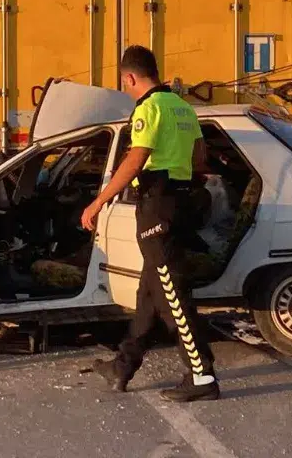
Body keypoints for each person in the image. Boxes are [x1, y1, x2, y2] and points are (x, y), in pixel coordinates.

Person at [80, 45, 219, 402]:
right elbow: (199, 157)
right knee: (150, 292)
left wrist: (99, 200)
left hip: (157, 206)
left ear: (130, 77)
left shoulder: (149, 108)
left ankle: (202, 374)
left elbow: (136, 157)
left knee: (173, 294)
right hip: (180, 200)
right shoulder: (183, 107)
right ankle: (123, 366)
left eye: (124, 83)